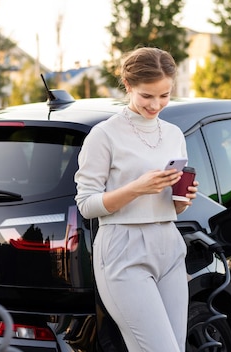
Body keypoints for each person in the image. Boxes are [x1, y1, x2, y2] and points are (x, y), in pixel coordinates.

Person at [74, 47, 198, 351]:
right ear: (128, 86)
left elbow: (174, 206)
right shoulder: (104, 135)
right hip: (122, 249)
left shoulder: (174, 134)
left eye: (164, 95)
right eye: (147, 96)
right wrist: (137, 188)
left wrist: (183, 198)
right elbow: (86, 204)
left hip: (168, 245)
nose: (156, 105)